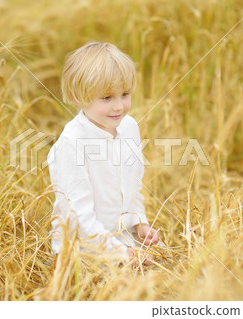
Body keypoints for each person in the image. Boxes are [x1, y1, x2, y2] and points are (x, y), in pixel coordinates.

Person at [47, 42, 159, 265]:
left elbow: (133, 185)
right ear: (79, 97)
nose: (118, 106)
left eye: (125, 94)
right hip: (83, 246)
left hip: (123, 236)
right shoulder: (73, 141)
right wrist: (120, 253)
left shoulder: (129, 128)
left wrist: (140, 224)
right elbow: (77, 215)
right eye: (107, 98)